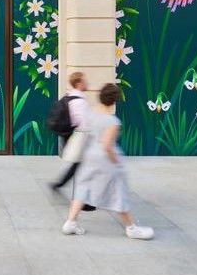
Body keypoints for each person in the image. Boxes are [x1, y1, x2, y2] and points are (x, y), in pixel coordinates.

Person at [62, 82, 153, 240]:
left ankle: (70, 222)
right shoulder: (113, 122)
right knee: (118, 192)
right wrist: (116, 161)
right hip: (104, 161)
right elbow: (107, 146)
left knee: (83, 189)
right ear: (115, 101)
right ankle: (131, 228)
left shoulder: (90, 114)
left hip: (88, 156)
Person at [50, 72, 95, 211]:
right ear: (79, 83)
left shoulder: (69, 97)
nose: (87, 83)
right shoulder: (79, 102)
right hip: (78, 136)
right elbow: (83, 123)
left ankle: (60, 184)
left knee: (78, 166)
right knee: (82, 168)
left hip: (71, 135)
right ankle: (81, 201)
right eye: (85, 81)